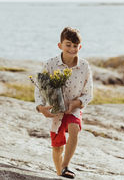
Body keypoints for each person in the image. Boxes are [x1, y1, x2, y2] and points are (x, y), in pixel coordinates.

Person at [34, 27, 93, 179]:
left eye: (75, 46)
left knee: (75, 128)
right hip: (56, 109)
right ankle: (59, 172)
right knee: (57, 145)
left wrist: (76, 103)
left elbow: (88, 93)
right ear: (60, 45)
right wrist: (41, 107)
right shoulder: (50, 64)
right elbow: (40, 89)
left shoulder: (84, 66)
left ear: (80, 47)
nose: (72, 49)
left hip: (74, 107)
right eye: (68, 45)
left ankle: (66, 165)